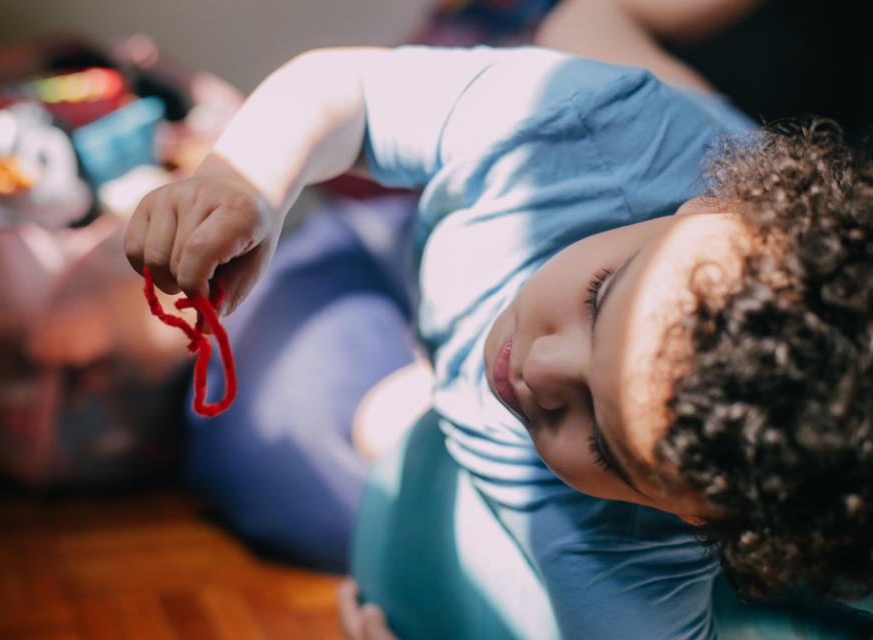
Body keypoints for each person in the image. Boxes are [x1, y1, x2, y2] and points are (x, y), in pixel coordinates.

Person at [125, 38, 873, 640]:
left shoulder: (631, 560)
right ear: (710, 206)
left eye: (604, 439)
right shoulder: (586, 128)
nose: (538, 370)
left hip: (447, 332)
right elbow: (347, 93)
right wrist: (243, 181)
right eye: (600, 295)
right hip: (434, 245)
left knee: (285, 461)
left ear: (694, 517)